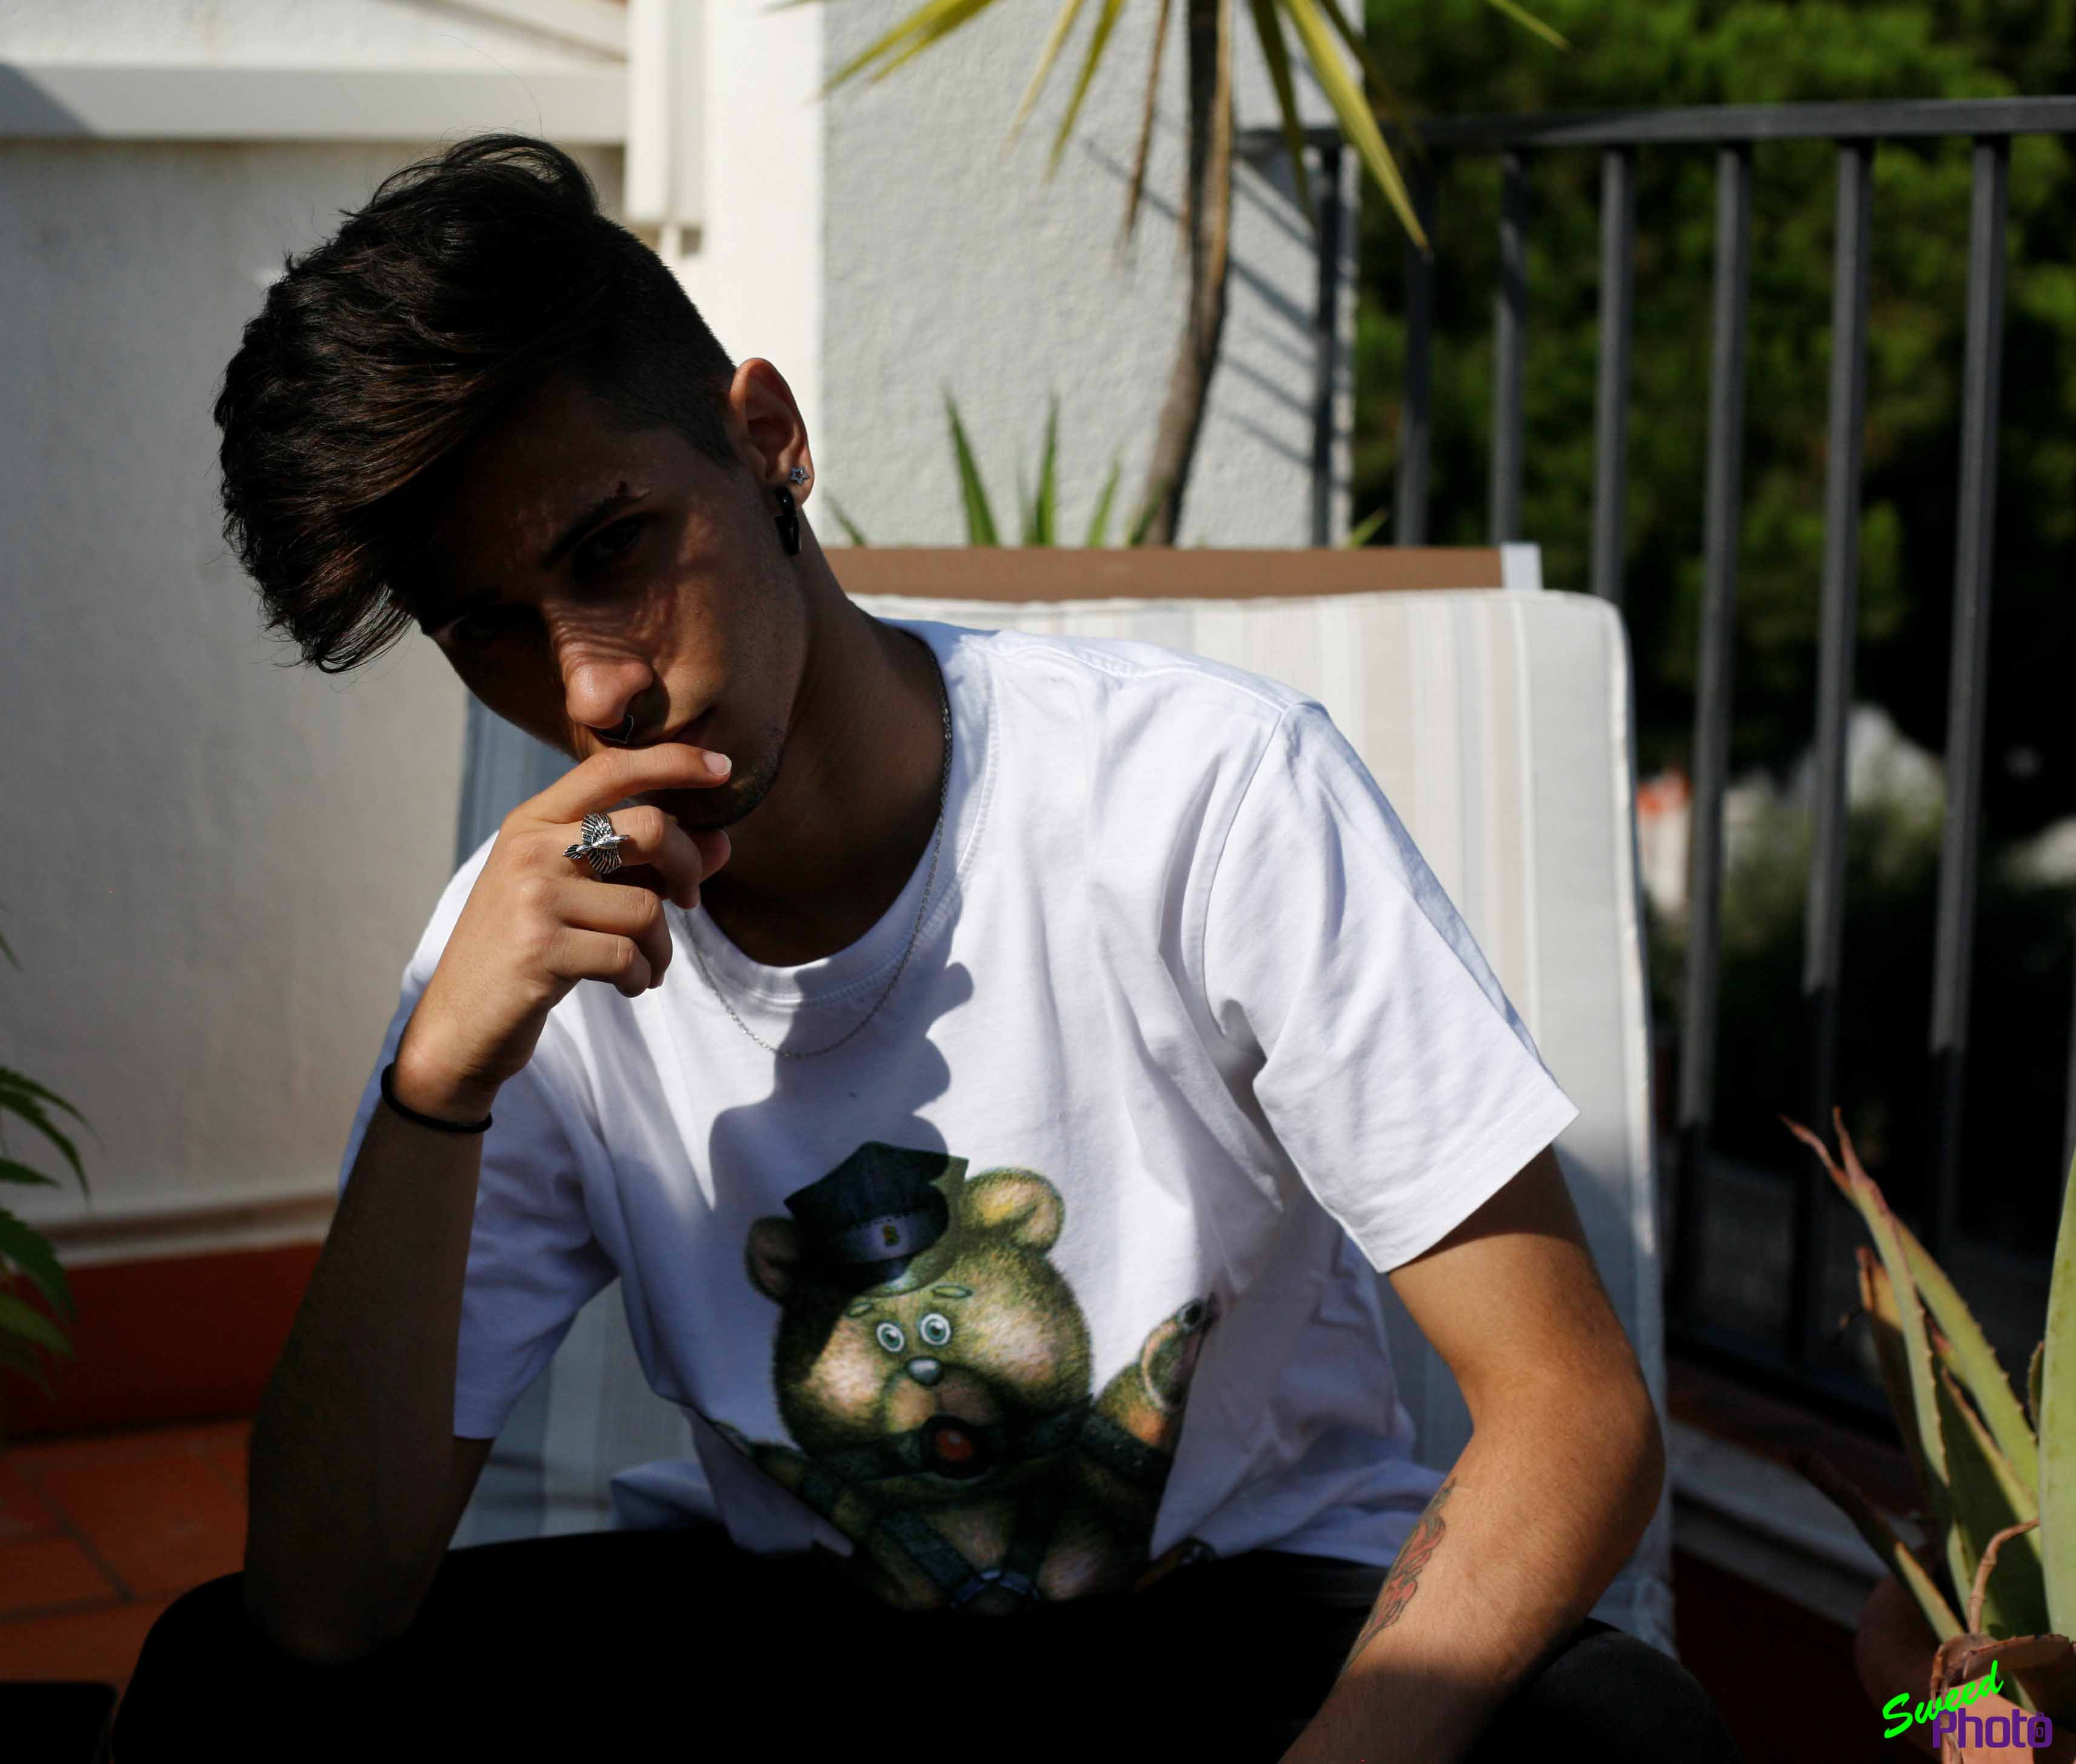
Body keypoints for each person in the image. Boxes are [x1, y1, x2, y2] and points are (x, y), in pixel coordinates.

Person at [113, 135, 1738, 1763]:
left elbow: (1575, 1415)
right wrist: (440, 1091)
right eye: (489, 627)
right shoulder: (528, 955)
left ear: (767, 442)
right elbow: (327, 1605)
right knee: (221, 1689)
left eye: (612, 550)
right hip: (805, 1637)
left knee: (1625, 1745)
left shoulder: (1202, 795)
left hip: (1241, 1624)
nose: (595, 688)